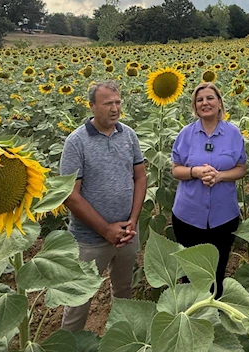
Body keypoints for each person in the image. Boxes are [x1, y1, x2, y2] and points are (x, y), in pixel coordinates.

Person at [59, 80, 147, 331]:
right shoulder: (76, 142)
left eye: (118, 102)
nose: (115, 108)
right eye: (108, 103)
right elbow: (70, 195)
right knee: (78, 300)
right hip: (90, 239)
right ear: (92, 106)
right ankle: (69, 344)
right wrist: (106, 229)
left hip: (127, 232)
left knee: (123, 291)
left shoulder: (128, 134)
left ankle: (122, 339)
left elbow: (140, 176)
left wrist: (133, 220)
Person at [171, 82, 247, 296]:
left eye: (210, 98)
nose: (205, 103)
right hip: (188, 216)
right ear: (195, 106)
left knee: (217, 270)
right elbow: (176, 170)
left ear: (220, 102)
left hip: (223, 216)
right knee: (190, 272)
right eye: (200, 99)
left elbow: (241, 169)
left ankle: (214, 315)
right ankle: (193, 317)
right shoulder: (186, 134)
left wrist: (220, 176)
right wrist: (195, 172)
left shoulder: (233, 134)